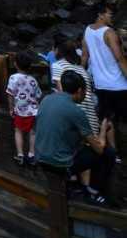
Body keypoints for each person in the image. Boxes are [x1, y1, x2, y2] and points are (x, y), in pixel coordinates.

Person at [36, 69, 115, 204]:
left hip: (40, 157)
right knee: (108, 153)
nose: (85, 95)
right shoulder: (76, 111)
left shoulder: (46, 99)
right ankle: (93, 193)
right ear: (79, 91)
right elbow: (99, 149)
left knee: (82, 146)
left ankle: (75, 184)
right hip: (59, 164)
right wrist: (103, 130)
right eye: (85, 91)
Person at [53, 41, 117, 153]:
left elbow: (63, 94)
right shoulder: (81, 69)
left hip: (77, 117)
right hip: (91, 118)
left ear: (58, 51)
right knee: (88, 154)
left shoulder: (58, 65)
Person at [83, 3, 127, 132]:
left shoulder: (87, 30)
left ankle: (112, 150)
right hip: (119, 85)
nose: (111, 16)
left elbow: (85, 55)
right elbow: (120, 58)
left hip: (100, 84)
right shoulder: (109, 33)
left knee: (106, 120)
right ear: (100, 15)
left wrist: (81, 73)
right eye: (109, 14)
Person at [6, 51, 41, 166]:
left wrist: (11, 108)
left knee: (18, 131)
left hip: (20, 110)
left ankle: (20, 154)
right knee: (33, 133)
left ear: (15, 64)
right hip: (33, 111)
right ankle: (31, 154)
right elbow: (38, 95)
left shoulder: (13, 78)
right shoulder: (33, 80)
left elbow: (10, 94)